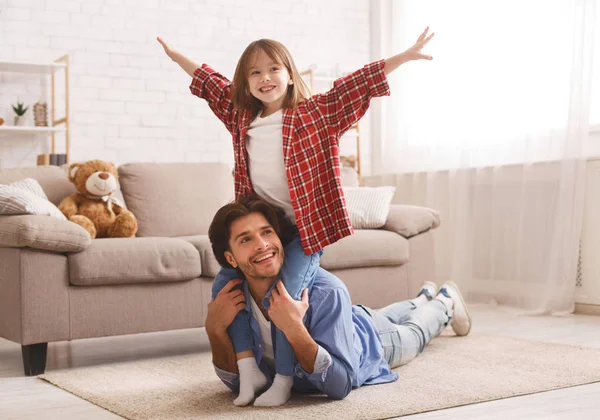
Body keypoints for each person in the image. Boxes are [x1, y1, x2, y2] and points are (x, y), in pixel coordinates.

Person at [157, 28, 435, 406]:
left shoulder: (315, 113)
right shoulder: (242, 117)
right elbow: (211, 83)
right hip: (266, 229)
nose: (265, 78)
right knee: (225, 285)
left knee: (282, 297)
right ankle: (249, 369)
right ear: (246, 82)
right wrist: (176, 57)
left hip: (303, 232)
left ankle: (284, 380)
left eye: (273, 69)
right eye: (254, 73)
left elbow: (355, 86)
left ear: (290, 74)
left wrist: (402, 56)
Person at [205, 196, 472, 405]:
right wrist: (214, 330)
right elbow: (236, 381)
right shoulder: (232, 297)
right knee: (385, 313)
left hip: (370, 341)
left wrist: (295, 330)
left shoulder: (327, 292)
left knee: (414, 333)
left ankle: (444, 301)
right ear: (230, 259)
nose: (262, 245)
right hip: (352, 319)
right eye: (246, 239)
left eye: (266, 233)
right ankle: (423, 297)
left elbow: (341, 384)